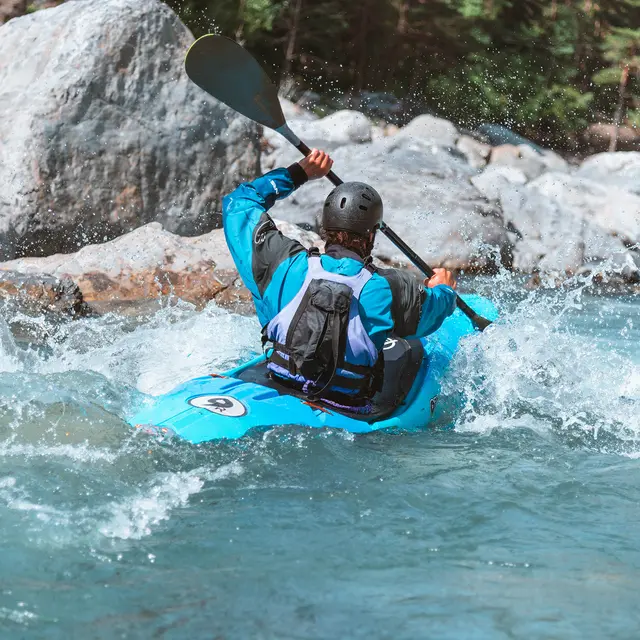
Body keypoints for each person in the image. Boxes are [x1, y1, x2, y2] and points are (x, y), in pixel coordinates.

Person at [222, 149, 457, 412]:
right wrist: (444, 290)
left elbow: (238, 204)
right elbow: (430, 315)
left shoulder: (282, 263)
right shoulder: (391, 287)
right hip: (346, 408)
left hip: (277, 385)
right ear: (371, 237)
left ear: (325, 227)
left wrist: (298, 173)